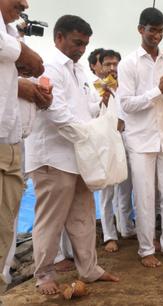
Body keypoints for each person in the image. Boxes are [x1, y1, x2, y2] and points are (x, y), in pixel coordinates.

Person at [25, 14, 119, 295]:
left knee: (83, 215)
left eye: (86, 45)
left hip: (78, 156)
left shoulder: (79, 72)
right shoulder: (49, 66)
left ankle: (89, 270)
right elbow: (56, 111)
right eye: (77, 43)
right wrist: (87, 136)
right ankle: (43, 274)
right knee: (50, 220)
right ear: (59, 38)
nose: (81, 50)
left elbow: (85, 109)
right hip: (52, 157)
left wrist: (99, 103)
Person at [117, 7, 163, 268]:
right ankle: (146, 249)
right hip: (140, 140)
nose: (157, 35)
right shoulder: (128, 63)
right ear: (141, 30)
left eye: (161, 30)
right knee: (145, 197)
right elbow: (126, 105)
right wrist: (157, 91)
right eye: (152, 30)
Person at [0, 0, 49, 293]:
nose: (25, 3)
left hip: (12, 142)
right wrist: (23, 51)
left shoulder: (9, 34)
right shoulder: (11, 42)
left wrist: (29, 88)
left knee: (6, 227)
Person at [97, 49, 136, 253]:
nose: (112, 68)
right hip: (105, 145)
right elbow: (89, 115)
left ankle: (127, 228)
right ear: (100, 67)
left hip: (127, 143)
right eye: (108, 64)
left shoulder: (126, 88)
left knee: (125, 189)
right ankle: (109, 236)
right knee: (107, 193)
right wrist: (101, 102)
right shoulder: (96, 89)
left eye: (115, 64)